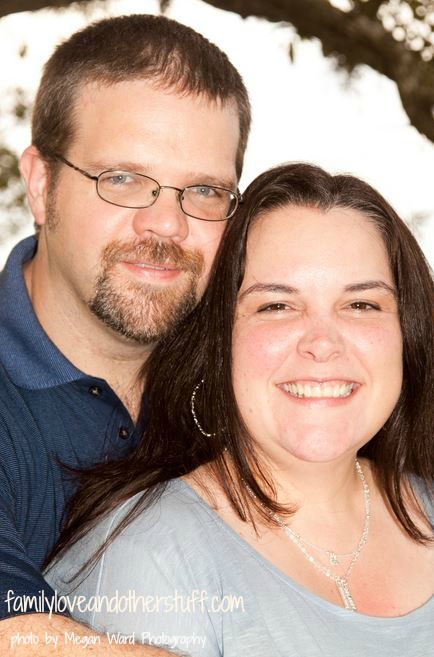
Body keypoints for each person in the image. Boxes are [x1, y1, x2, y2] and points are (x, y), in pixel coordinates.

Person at [47, 162, 433, 656]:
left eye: (361, 305)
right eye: (276, 306)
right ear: (218, 341)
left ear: (407, 334)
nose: (323, 343)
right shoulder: (147, 560)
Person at [0, 12, 250, 656]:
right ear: (41, 185)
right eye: (123, 179)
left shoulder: (259, 373)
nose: (166, 224)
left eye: (204, 190)